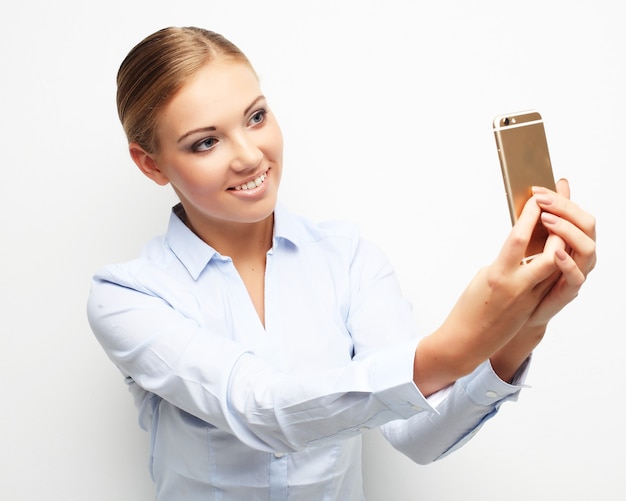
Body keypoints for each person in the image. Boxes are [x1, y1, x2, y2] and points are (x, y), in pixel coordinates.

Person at [86, 26, 596, 500]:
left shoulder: (346, 259)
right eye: (206, 142)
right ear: (150, 163)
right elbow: (262, 410)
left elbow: (416, 434)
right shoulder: (128, 297)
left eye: (256, 117)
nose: (248, 155)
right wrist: (456, 346)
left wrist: (524, 328)